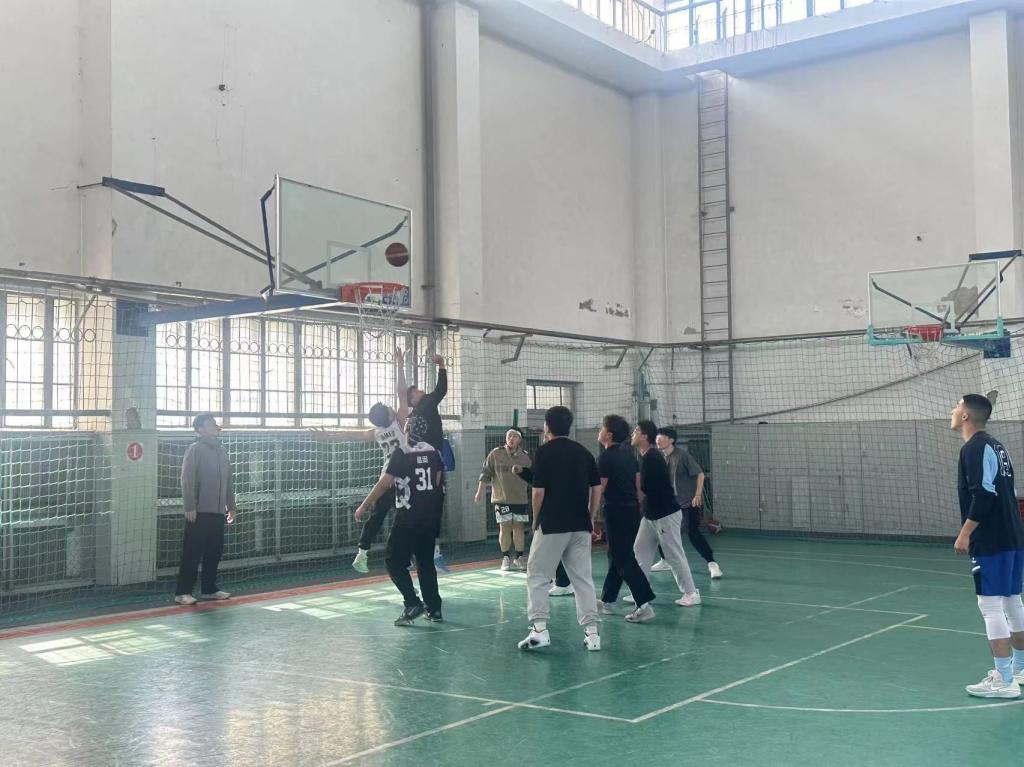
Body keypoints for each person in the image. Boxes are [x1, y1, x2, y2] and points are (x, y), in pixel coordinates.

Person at [951, 394, 1024, 698]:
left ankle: (1004, 680)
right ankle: (1019, 669)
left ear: (966, 415)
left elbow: (983, 494)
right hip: (1013, 535)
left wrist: (965, 533)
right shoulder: (997, 446)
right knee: (1012, 600)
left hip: (992, 538)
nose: (953, 410)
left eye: (957, 406)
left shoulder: (974, 448)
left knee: (991, 605)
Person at [311, 349, 410, 574]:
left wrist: (327, 437)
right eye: (389, 408)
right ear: (389, 415)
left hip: (386, 477)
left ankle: (362, 552)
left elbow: (349, 435)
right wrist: (400, 366)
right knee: (407, 518)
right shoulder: (400, 422)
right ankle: (403, 555)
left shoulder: (375, 432)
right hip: (403, 478)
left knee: (377, 516)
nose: (392, 407)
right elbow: (402, 392)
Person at [518, 406, 603, 652]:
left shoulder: (544, 452)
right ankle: (592, 634)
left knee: (537, 575)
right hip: (580, 526)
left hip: (552, 525)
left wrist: (536, 519)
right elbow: (596, 488)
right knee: (583, 580)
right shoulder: (584, 452)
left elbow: (538, 492)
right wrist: (590, 517)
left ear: (547, 426)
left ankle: (539, 630)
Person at [355, 422, 446, 626]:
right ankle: (434, 608)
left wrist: (364, 505)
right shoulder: (434, 452)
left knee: (393, 561)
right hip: (429, 517)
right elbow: (438, 481)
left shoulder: (402, 453)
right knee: (425, 562)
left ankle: (412, 603)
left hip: (408, 517)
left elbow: (384, 484)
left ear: (406, 431)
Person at [631, 420, 701, 607]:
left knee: (673, 554)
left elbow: (646, 488)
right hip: (650, 514)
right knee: (640, 548)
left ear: (645, 436)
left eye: (636, 431)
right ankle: (642, 590)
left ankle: (691, 593)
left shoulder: (653, 458)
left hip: (665, 514)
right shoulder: (643, 456)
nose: (632, 434)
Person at [596, 415, 657, 622]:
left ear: (609, 434)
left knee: (623, 558)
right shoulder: (629, 454)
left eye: (601, 428)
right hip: (632, 511)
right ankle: (607, 601)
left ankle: (644, 604)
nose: (599, 431)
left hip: (616, 511)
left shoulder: (605, 458)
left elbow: (599, 490)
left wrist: (591, 514)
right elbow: (638, 485)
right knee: (616, 556)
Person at [175, 413, 236, 605]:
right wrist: (190, 506)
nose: (215, 426)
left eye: (215, 423)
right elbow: (187, 479)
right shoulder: (195, 449)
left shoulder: (222, 451)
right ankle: (182, 592)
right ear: (200, 429)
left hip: (218, 512)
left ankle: (209, 589)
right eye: (211, 423)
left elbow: (228, 481)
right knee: (192, 552)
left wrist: (231, 506)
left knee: (214, 551)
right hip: (199, 511)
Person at [655, 427, 722, 579]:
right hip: (670, 504)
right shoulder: (660, 457)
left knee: (693, 533)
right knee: (661, 532)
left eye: (662, 437)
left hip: (688, 502)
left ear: (671, 440)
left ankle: (712, 563)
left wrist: (697, 494)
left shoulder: (682, 455)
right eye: (657, 437)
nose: (658, 439)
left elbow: (700, 474)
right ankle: (665, 561)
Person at [406, 353, 451, 573]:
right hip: (423, 461)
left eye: (417, 389)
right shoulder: (418, 410)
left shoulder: (423, 407)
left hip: (426, 461)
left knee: (426, 505)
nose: (419, 391)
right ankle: (422, 553)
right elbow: (441, 390)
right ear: (412, 399)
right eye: (414, 391)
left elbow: (441, 390)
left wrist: (442, 366)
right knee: (425, 505)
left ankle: (428, 553)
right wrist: (441, 366)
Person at [475, 429, 532, 570]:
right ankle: (505, 557)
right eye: (509, 436)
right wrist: (479, 492)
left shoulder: (525, 457)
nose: (511, 438)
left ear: (520, 440)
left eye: (515, 436)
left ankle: (519, 557)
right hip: (501, 499)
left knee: (518, 527)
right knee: (505, 526)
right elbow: (485, 473)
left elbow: (533, 476)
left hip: (520, 499)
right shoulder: (495, 454)